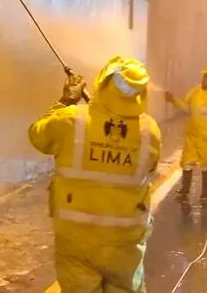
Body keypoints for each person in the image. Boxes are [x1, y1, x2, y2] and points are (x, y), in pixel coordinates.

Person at [28, 56, 161, 292]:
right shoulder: (149, 130)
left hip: (77, 240)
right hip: (125, 241)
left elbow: (38, 136)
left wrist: (66, 100)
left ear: (104, 81)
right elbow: (150, 168)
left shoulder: (72, 119)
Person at [165, 64, 207, 205]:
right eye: (204, 75)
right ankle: (184, 192)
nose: (204, 79)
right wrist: (173, 100)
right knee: (187, 163)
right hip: (192, 135)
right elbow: (186, 107)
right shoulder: (195, 91)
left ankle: (204, 195)